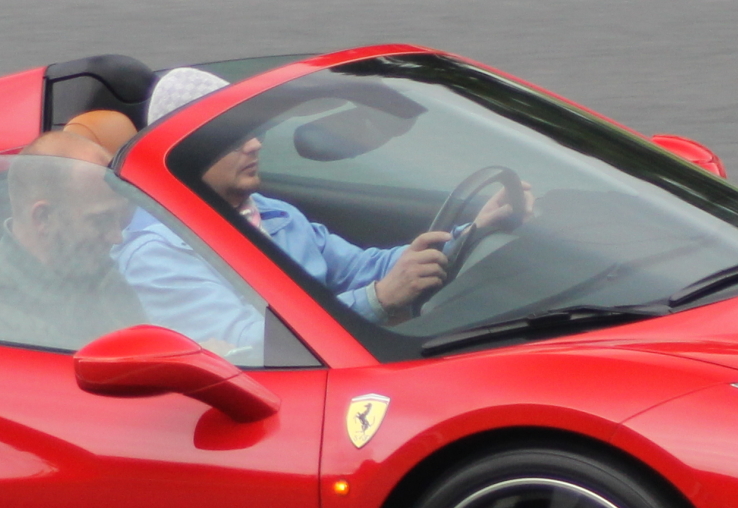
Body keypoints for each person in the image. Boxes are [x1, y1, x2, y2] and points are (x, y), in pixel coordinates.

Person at [118, 70, 526, 343]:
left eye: (251, 132)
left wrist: (473, 231)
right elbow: (247, 345)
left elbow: (362, 268)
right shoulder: (157, 252)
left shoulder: (272, 213)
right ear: (182, 155)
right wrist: (379, 300)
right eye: (230, 138)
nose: (256, 144)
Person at [0, 133, 146, 350]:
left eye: (119, 217)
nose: (116, 237)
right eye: (100, 220)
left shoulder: (95, 273)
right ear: (44, 218)